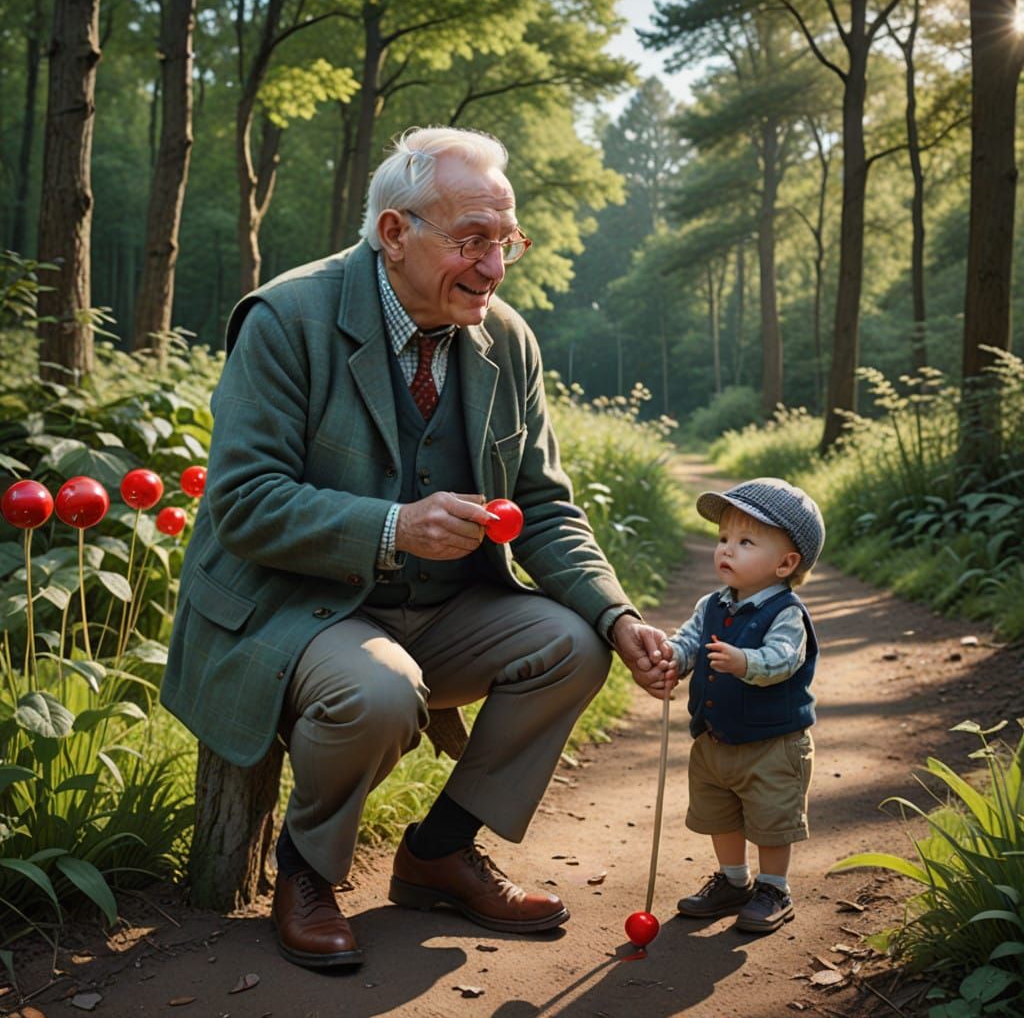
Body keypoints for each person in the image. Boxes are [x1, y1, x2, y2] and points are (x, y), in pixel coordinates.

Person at [161, 126, 665, 969]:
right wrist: (393, 526)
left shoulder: (508, 340)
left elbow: (541, 506)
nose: (494, 267)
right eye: (472, 240)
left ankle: (439, 850)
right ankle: (306, 872)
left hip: (439, 609)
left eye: (506, 242)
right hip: (294, 610)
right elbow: (242, 505)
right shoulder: (287, 318)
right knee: (381, 691)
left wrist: (617, 617)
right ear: (394, 233)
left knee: (573, 646)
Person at [634, 477, 825, 935]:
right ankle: (734, 881)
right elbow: (689, 641)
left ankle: (774, 887)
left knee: (772, 818)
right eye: (723, 539)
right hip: (715, 737)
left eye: (744, 541)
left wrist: (745, 662)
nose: (726, 550)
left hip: (773, 744)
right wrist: (674, 658)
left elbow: (784, 658)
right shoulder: (712, 604)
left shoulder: (787, 613)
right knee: (720, 811)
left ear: (786, 563)